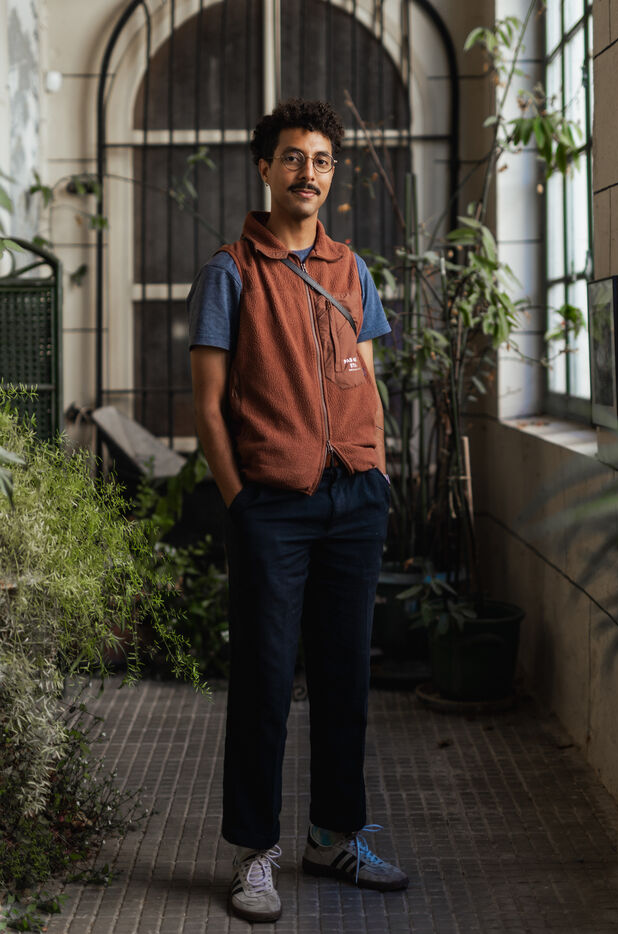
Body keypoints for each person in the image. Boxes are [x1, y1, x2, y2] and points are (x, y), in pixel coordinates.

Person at [188, 98, 408, 924]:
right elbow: (207, 406)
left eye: (320, 160)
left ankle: (332, 837)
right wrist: (240, 503)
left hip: (354, 497)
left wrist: (377, 469)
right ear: (265, 168)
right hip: (272, 504)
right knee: (265, 681)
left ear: (331, 175)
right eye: (291, 157)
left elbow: (367, 378)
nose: (306, 172)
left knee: (346, 677)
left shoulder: (352, 269)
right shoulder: (230, 271)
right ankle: (254, 854)